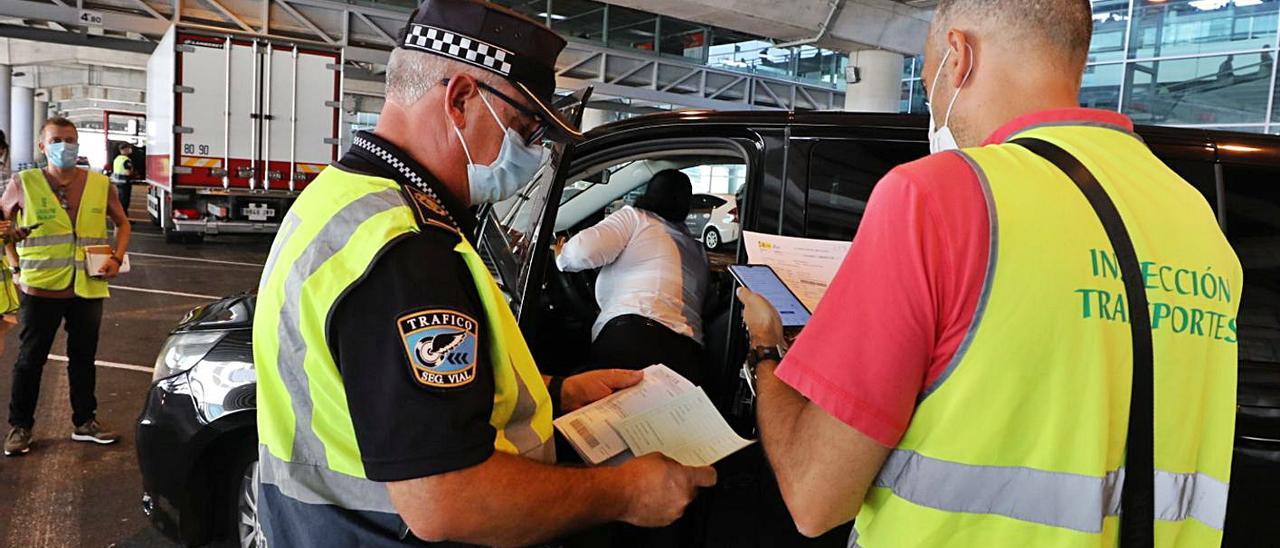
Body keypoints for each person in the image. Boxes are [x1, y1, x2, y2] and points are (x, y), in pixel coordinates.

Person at [736, 1, 1242, 546]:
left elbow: (815, 498)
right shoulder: (1195, 218)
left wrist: (766, 349)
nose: (937, 110)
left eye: (929, 83)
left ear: (959, 56)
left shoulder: (936, 196)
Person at [252, 2, 715, 546]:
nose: (535, 151)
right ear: (461, 99)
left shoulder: (343, 197)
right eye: (525, 127)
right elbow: (447, 499)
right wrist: (626, 493)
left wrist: (559, 391)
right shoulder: (407, 250)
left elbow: (376, 389)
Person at [3, 117, 131, 457]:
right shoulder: (24, 182)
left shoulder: (99, 183)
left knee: (84, 358)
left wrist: (116, 258)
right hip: (41, 287)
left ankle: (85, 421)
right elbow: (4, 226)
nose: (66, 146)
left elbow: (122, 223)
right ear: (43, 146)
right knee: (31, 360)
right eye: (57, 140)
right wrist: (14, 260)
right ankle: (20, 427)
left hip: (87, 287)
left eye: (71, 139)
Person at [555, 169, 710, 381]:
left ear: (648, 194)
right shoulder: (697, 249)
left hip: (632, 339)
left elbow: (581, 252)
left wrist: (561, 254)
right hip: (688, 356)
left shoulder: (636, 218)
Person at [111, 143, 134, 211]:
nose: (130, 150)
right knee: (124, 203)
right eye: (128, 148)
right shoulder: (126, 160)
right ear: (124, 149)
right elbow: (128, 173)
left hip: (118, 183)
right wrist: (132, 171)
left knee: (120, 201)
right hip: (125, 183)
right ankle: (123, 219)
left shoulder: (117, 159)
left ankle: (123, 219)